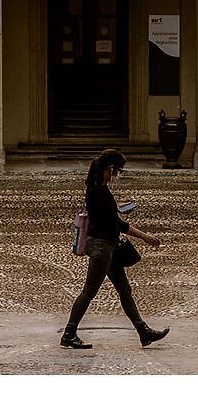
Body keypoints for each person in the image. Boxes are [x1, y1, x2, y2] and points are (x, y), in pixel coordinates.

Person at [62, 148, 168, 349]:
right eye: (118, 170)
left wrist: (116, 207)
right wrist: (145, 236)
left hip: (108, 248)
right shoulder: (99, 191)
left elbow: (104, 213)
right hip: (102, 248)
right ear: (110, 168)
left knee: (125, 290)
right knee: (89, 291)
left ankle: (143, 331)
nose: (118, 174)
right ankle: (69, 333)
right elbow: (117, 224)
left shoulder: (95, 188)